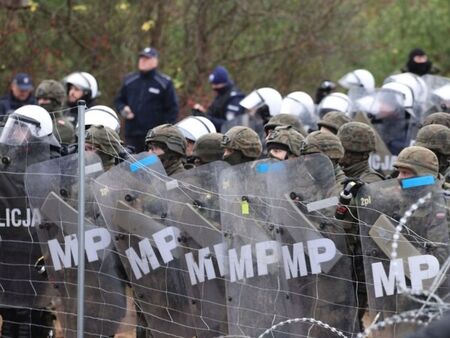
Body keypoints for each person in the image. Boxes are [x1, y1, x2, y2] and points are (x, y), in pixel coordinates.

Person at [0, 105, 60, 338]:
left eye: (20, 129)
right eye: (13, 128)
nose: (14, 134)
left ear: (38, 132)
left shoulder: (51, 164)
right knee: (9, 312)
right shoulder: (8, 160)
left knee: (33, 316)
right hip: (9, 248)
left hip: (36, 253)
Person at [115, 47, 179, 153]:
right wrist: (123, 109)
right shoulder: (129, 80)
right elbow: (119, 101)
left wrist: (164, 133)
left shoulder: (164, 83)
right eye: (141, 58)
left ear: (155, 61)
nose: (142, 61)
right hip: (132, 134)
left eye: (147, 58)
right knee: (133, 166)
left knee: (150, 165)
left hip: (154, 137)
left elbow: (172, 110)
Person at [193, 65, 245, 131]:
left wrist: (207, 119)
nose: (213, 87)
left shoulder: (235, 98)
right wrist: (202, 114)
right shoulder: (221, 95)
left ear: (223, 83)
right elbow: (214, 113)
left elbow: (230, 125)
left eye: (216, 85)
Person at [35, 79, 75, 145]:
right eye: (39, 99)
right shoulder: (38, 122)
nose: (40, 102)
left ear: (56, 101)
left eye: (45, 99)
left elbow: (41, 143)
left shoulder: (64, 127)